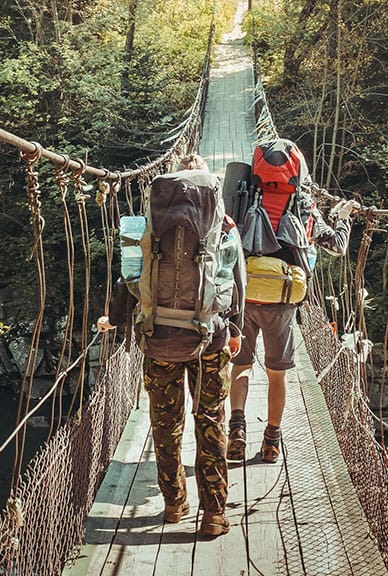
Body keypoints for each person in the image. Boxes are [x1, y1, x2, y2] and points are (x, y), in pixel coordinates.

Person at [97, 153, 245, 537]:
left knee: (166, 425)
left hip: (157, 339)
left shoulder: (147, 226)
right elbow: (237, 285)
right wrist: (235, 331)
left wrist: (115, 319)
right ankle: (214, 514)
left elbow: (130, 277)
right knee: (210, 421)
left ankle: (175, 504)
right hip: (209, 341)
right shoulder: (223, 228)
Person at [227, 162, 359, 464]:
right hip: (283, 302)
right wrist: (343, 219)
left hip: (245, 297)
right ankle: (271, 442)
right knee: (277, 374)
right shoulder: (305, 209)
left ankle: (236, 430)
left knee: (241, 366)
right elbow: (337, 246)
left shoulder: (244, 200)